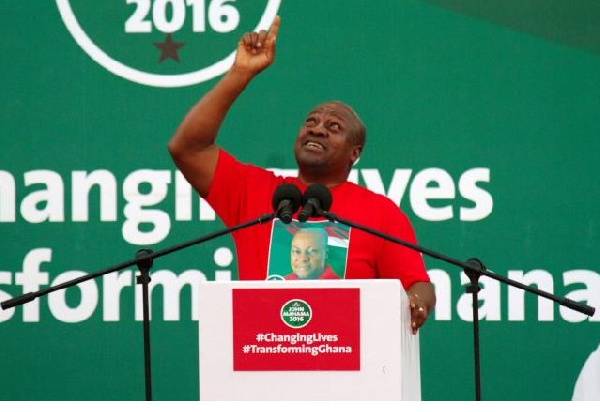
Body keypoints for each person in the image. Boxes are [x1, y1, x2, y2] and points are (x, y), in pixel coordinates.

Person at [168, 16, 435, 334]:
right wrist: (240, 73)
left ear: (355, 152)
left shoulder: (379, 213)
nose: (318, 128)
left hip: (348, 371)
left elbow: (419, 286)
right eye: (311, 121)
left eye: (334, 127)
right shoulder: (256, 192)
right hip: (261, 360)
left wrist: (417, 302)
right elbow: (188, 148)